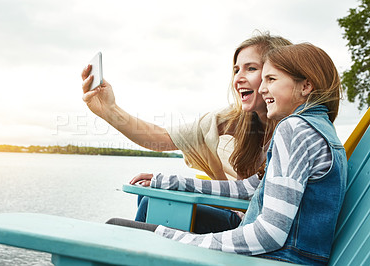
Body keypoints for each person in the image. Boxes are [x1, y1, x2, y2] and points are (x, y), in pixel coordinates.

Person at [107, 43, 347, 265]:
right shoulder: (320, 129)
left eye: (271, 79)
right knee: (134, 224)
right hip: (290, 257)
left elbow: (269, 235)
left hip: (274, 259)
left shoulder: (294, 129)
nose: (263, 89)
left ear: (306, 86)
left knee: (116, 229)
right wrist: (169, 182)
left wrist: (187, 240)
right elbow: (250, 188)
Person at [82, 32, 292, 233]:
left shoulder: (294, 131)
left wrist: (171, 182)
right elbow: (162, 139)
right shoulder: (232, 119)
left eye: (251, 68)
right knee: (154, 197)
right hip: (239, 222)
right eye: (236, 70)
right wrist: (109, 110)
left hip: (249, 232)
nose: (238, 78)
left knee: (145, 206)